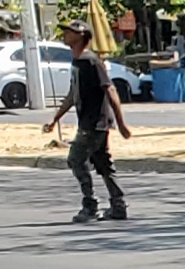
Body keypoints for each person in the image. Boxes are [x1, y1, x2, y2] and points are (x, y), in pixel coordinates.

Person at [44, 47, 131, 221]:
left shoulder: (90, 61)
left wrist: (121, 123)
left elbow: (110, 90)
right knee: (102, 162)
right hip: (90, 121)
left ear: (81, 36)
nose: (65, 35)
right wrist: (55, 118)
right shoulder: (77, 62)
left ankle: (90, 205)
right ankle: (118, 205)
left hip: (95, 122)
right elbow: (72, 94)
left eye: (70, 32)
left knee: (76, 159)